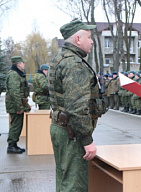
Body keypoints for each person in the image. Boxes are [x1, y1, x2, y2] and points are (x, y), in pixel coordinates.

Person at [48, 19, 107, 191]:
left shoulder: (60, 59)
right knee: (75, 185)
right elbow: (76, 108)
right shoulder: (75, 65)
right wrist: (87, 140)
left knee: (64, 179)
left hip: (62, 128)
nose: (92, 41)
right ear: (78, 39)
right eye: (89, 37)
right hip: (72, 133)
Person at [6, 56, 31, 154]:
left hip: (17, 103)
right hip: (15, 105)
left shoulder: (17, 74)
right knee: (16, 125)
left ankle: (14, 144)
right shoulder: (14, 75)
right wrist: (19, 107)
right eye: (22, 62)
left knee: (17, 124)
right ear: (18, 64)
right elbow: (14, 92)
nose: (24, 64)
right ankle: (11, 146)